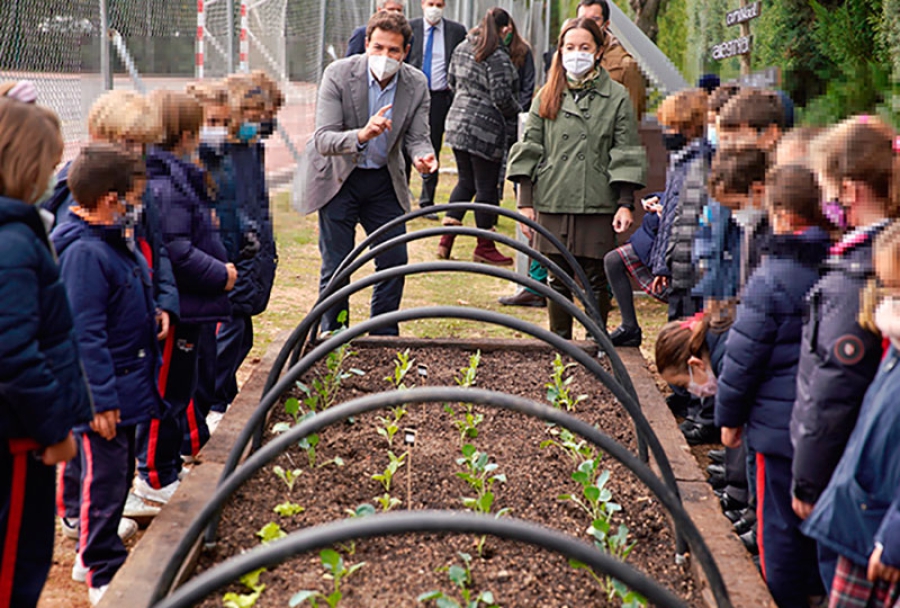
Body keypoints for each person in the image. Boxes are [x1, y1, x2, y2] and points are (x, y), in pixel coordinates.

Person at [54, 90, 173, 537]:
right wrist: (99, 398)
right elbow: (85, 330)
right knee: (97, 461)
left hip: (126, 368)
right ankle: (89, 540)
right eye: (128, 142)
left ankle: (88, 526)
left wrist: (159, 302)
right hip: (102, 381)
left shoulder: (113, 233)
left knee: (111, 464)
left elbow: (151, 257)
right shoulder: (84, 248)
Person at [715, 164, 831, 608]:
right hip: (824, 427)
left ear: (781, 214)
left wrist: (728, 419)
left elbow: (743, 358)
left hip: (776, 430)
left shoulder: (769, 278)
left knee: (778, 530)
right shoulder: (838, 265)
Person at [790, 115, 896, 593]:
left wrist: (808, 479)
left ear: (849, 192)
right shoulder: (874, 258)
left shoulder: (859, 275)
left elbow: (835, 385)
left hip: (851, 481)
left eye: (829, 188)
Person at [0, 97, 92, 608]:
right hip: (18, 438)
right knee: (15, 565)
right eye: (50, 165)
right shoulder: (13, 243)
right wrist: (53, 430)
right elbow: (12, 352)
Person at [507, 16, 647, 336]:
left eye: (584, 47)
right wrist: (525, 199)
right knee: (556, 275)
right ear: (560, 51)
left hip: (596, 199)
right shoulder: (547, 93)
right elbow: (530, 146)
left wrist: (625, 202)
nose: (576, 53)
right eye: (569, 47)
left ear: (598, 51)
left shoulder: (617, 97)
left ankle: (595, 342)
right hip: (552, 196)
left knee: (595, 275)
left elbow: (625, 150)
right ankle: (561, 345)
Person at [302, 11, 438, 336]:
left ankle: (383, 335)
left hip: (383, 180)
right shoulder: (338, 74)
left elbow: (418, 137)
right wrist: (362, 135)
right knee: (337, 264)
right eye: (378, 48)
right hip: (339, 178)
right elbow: (323, 139)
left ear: (405, 52)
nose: (384, 56)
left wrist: (423, 157)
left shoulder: (416, 83)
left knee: (394, 260)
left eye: (393, 50)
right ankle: (333, 334)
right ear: (366, 44)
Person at [135, 90, 236, 504]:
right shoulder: (165, 185)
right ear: (187, 131)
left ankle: (167, 468)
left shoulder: (177, 175)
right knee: (167, 393)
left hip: (190, 308)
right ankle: (154, 477)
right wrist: (221, 275)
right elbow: (177, 251)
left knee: (181, 389)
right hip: (180, 309)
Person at [801, 220, 900, 607]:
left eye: (891, 288)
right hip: (863, 513)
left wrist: (894, 539)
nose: (883, 300)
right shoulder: (893, 343)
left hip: (882, 534)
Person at [608, 87, 708, 347]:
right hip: (668, 248)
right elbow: (675, 200)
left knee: (682, 325)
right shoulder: (683, 159)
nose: (667, 132)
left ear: (689, 126)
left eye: (672, 125)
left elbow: (683, 219)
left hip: (681, 258)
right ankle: (630, 327)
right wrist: (659, 199)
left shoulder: (698, 163)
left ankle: (684, 385)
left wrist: (663, 265)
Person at [436, 7, 521, 265]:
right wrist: (520, 115)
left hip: (457, 121)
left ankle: (445, 241)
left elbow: (450, 80)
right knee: (486, 186)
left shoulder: (462, 47)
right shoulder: (497, 56)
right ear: (505, 29)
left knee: (466, 182)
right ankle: (484, 246)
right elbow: (501, 97)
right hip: (485, 128)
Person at [408, 0, 467, 212]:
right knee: (405, 144)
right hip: (412, 94)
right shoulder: (410, 28)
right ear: (422, 4)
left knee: (432, 144)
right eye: (431, 3)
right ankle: (402, 196)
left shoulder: (456, 31)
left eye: (439, 4)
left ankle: (427, 200)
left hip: (440, 96)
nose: (434, 8)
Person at [575, 0, 646, 119]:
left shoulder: (624, 65)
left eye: (595, 20)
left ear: (606, 24)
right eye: (582, 19)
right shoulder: (564, 58)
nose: (587, 25)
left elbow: (632, 116)